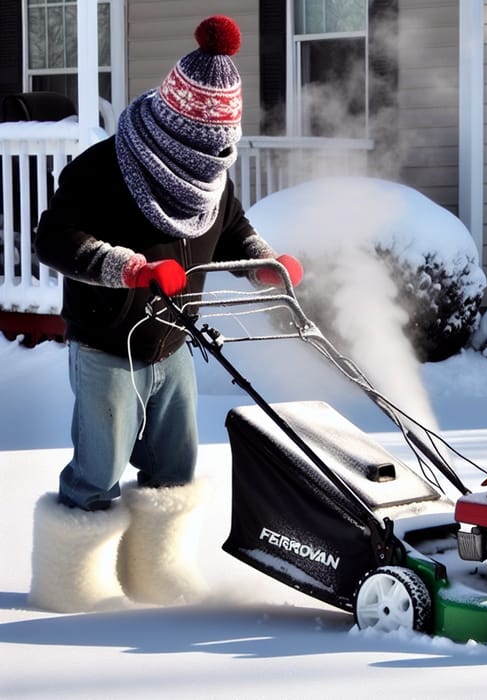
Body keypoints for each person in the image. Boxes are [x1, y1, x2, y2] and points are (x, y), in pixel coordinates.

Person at [28, 15, 302, 613]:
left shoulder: (210, 181)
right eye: (205, 142)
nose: (214, 159)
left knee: (174, 468)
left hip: (171, 342)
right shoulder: (102, 168)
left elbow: (229, 228)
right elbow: (53, 239)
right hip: (107, 346)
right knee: (97, 472)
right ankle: (73, 587)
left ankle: (158, 574)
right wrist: (128, 267)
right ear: (179, 128)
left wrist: (262, 261)